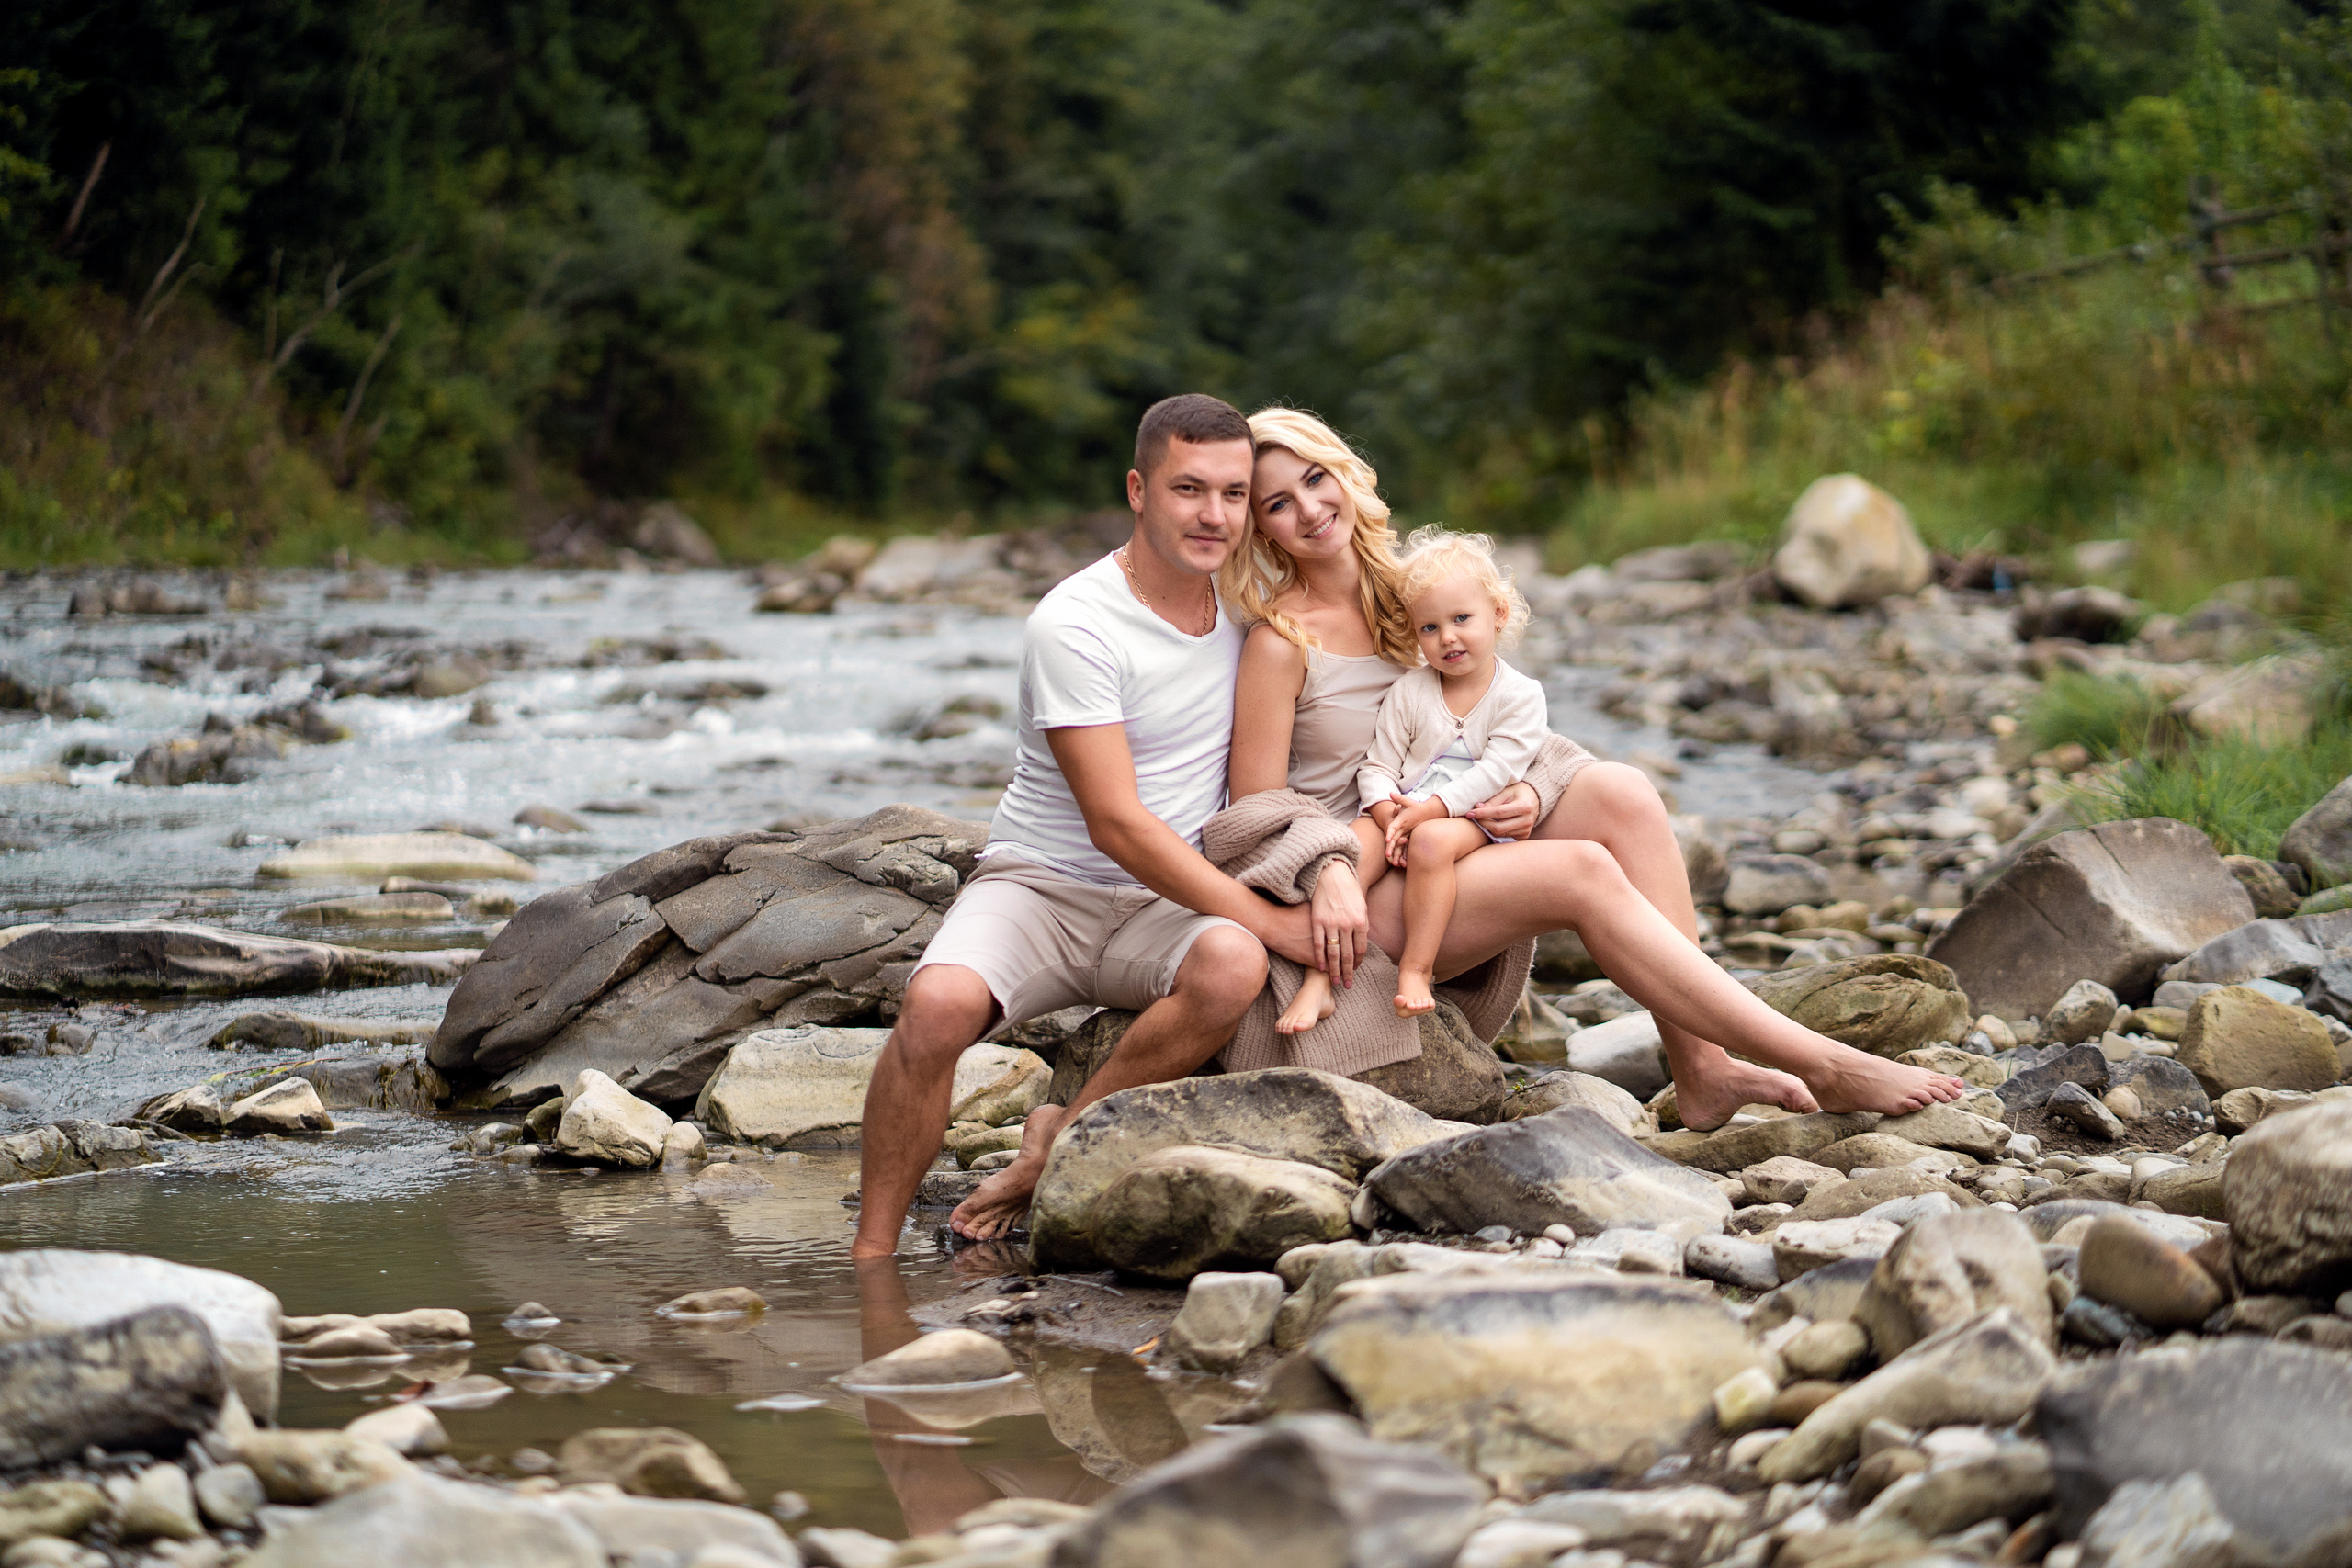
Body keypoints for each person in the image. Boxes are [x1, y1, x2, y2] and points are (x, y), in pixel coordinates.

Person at [1225, 406, 1967, 1128]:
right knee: (1578, 870)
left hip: (1451, 830)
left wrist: (1527, 788)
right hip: (1356, 891)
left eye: (1317, 479)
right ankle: (1825, 1063)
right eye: (1279, 504)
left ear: (1346, 474)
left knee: (1624, 792)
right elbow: (1258, 819)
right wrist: (1328, 876)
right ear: (1261, 528)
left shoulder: (1417, 591)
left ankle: (1702, 1067)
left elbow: (1507, 717)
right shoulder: (1281, 641)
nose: (1311, 510)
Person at [852, 393, 1324, 1259]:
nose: (1213, 515)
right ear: (1139, 490)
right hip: (1043, 884)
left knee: (1231, 967)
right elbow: (1113, 823)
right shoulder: (1075, 621)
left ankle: (1054, 1148)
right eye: (1189, 489)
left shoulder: (1251, 616)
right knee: (934, 1006)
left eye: (1232, 493)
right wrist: (1271, 915)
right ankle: (870, 1260)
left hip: (1164, 903)